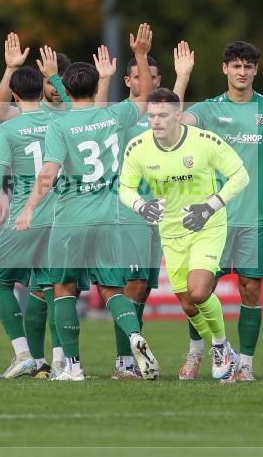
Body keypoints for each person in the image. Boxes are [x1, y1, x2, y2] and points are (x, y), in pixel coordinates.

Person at [13, 24, 159, 381]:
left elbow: (48, 173)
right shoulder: (113, 116)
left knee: (63, 289)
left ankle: (73, 367)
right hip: (110, 219)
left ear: (66, 89)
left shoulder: (59, 125)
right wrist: (139, 54)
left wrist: (29, 207)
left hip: (71, 218)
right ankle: (135, 335)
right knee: (112, 289)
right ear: (97, 88)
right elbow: (142, 96)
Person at [181, 40, 263, 381]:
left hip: (254, 218)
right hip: (214, 220)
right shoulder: (208, 110)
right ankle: (197, 352)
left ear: (256, 70)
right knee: (199, 292)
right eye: (236, 66)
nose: (242, 72)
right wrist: (182, 78)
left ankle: (246, 365)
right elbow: (176, 122)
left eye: (248, 66)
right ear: (225, 69)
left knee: (251, 291)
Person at [120, 88, 250, 382]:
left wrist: (209, 206)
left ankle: (219, 347)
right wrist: (142, 206)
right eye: (152, 115)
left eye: (163, 115)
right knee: (189, 304)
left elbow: (240, 175)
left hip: (207, 225)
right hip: (172, 233)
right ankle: (225, 347)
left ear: (178, 115)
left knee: (200, 290)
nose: (156, 121)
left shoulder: (204, 141)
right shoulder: (138, 147)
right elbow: (125, 188)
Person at [104, 41, 194, 379]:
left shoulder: (162, 116)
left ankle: (134, 352)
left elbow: (175, 113)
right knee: (132, 283)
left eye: (155, 76)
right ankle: (124, 360)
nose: (148, 80)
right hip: (132, 212)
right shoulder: (124, 115)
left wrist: (182, 77)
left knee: (141, 287)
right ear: (129, 81)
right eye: (142, 75)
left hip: (164, 214)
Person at [0, 61, 62, 379]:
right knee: (53, 287)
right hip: (60, 216)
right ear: (42, 90)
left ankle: (23, 354)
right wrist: (54, 77)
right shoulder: (60, 117)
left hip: (27, 216)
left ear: (13, 94)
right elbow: (73, 107)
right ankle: (61, 360)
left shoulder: (10, 129)